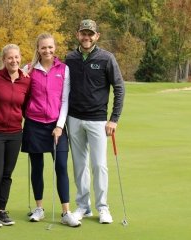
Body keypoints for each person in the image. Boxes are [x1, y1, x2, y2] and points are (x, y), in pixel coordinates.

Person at [65, 19, 125, 224]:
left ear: (96, 36)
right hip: (74, 118)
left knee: (99, 165)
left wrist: (114, 119)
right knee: (80, 165)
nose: (86, 37)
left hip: (98, 120)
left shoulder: (106, 58)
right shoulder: (70, 58)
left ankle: (103, 207)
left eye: (90, 34)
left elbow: (119, 88)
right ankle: (83, 206)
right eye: (83, 33)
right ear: (77, 35)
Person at [21, 33, 81, 227]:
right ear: (37, 49)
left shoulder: (64, 69)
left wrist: (59, 126)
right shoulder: (29, 70)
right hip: (34, 124)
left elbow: (65, 100)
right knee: (37, 168)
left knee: (61, 167)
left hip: (56, 126)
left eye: (50, 47)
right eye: (43, 47)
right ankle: (39, 208)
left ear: (55, 48)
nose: (47, 51)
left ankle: (66, 212)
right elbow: (21, 95)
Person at [0, 44, 31, 228]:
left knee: (7, 174)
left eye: (17, 57)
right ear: (3, 60)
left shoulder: (26, 80)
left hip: (15, 133)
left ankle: (2, 210)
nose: (14, 61)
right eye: (10, 58)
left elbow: (25, 107)